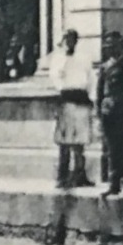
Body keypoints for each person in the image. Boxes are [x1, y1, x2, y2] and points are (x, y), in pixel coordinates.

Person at [49, 29, 94, 189]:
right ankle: (62, 176)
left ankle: (80, 174)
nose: (70, 42)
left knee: (80, 140)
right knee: (65, 139)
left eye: (73, 39)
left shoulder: (83, 58)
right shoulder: (59, 58)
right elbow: (55, 77)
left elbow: (90, 78)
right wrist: (63, 90)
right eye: (67, 39)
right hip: (67, 98)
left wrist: (90, 97)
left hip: (81, 97)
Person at [97, 31, 123, 196]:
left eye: (113, 45)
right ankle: (114, 183)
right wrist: (99, 112)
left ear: (120, 46)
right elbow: (100, 91)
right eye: (108, 45)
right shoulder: (105, 67)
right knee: (111, 149)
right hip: (109, 111)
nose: (110, 48)